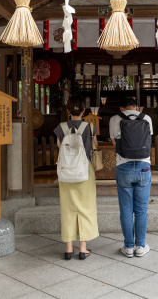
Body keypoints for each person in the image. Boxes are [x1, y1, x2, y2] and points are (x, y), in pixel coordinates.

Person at [53, 95, 99, 260]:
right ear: (84, 111)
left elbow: (60, 147)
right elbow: (95, 146)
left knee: (68, 208)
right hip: (84, 171)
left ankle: (68, 249)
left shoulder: (61, 127)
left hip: (66, 172)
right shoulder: (90, 127)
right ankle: (83, 249)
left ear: (68, 110)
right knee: (85, 208)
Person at [109, 96, 153, 258]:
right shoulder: (146, 118)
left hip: (123, 167)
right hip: (143, 167)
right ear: (137, 107)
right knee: (141, 210)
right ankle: (140, 246)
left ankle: (128, 246)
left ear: (121, 108)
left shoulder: (115, 119)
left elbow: (114, 144)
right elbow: (148, 141)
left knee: (126, 210)